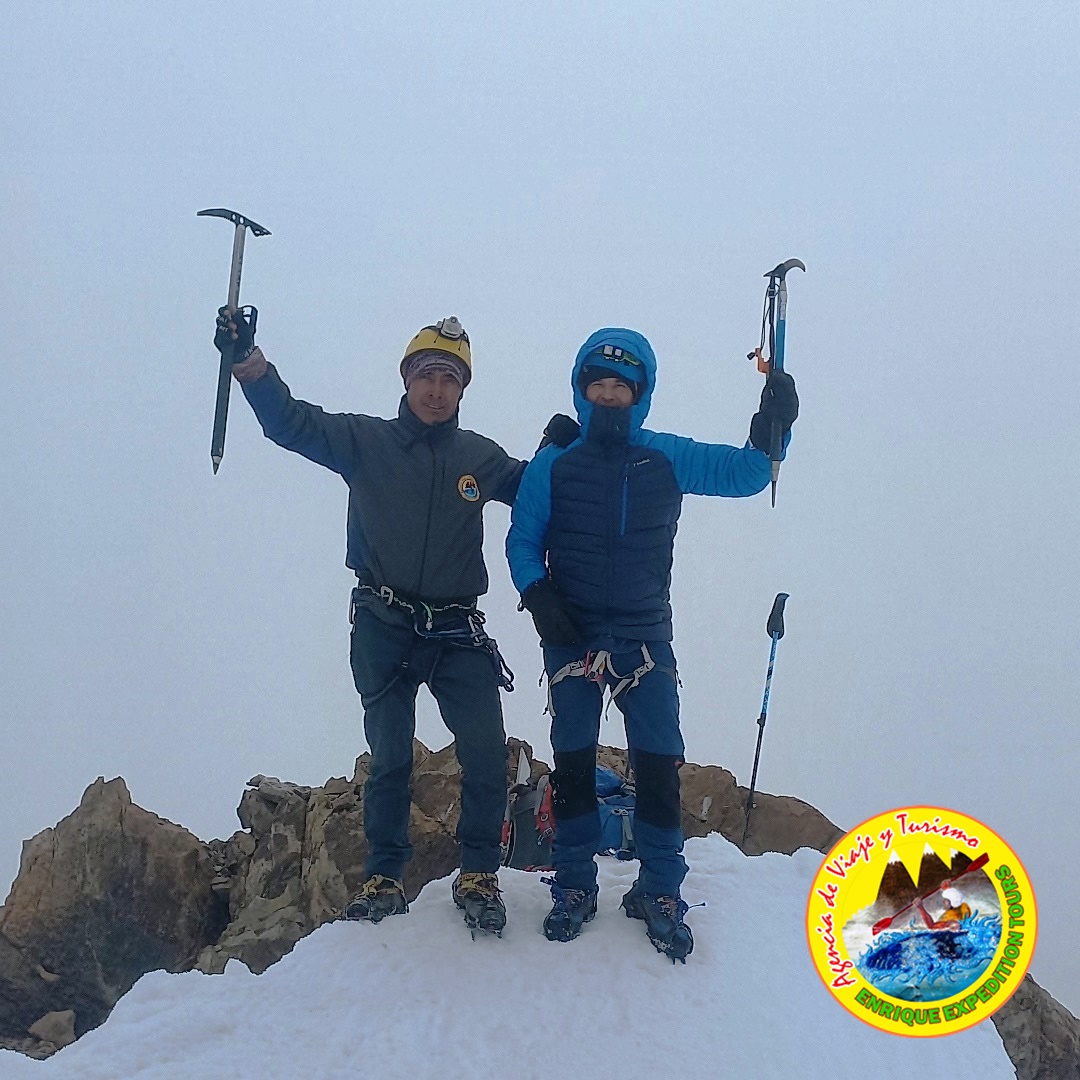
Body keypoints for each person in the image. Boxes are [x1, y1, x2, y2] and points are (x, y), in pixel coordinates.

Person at [215, 309, 576, 937]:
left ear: (462, 390)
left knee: (485, 752)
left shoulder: (479, 457)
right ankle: (383, 878)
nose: (437, 390)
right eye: (427, 376)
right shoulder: (366, 441)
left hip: (457, 629)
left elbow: (536, 491)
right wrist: (248, 362)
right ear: (407, 380)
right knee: (389, 758)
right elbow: (291, 422)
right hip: (383, 622)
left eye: (450, 379)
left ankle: (478, 873)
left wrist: (558, 453)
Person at [506, 327, 798, 961]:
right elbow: (521, 539)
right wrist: (540, 598)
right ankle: (574, 884)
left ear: (641, 393)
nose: (610, 395)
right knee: (574, 765)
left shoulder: (665, 456)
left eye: (622, 386)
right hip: (573, 633)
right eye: (599, 384)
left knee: (660, 766)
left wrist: (772, 425)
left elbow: (747, 473)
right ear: (582, 390)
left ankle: (660, 890)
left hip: (644, 635)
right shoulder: (554, 463)